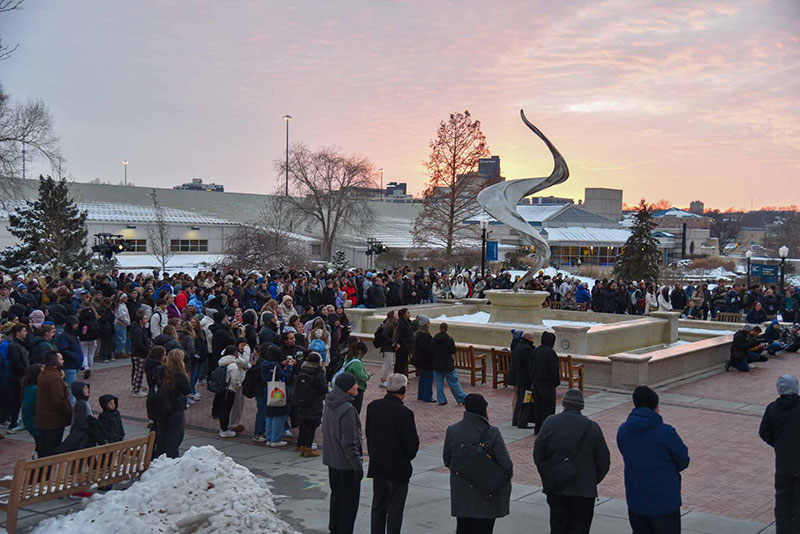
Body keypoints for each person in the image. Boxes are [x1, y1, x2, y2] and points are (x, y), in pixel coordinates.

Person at [533, 389, 611, 534]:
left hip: (557, 487)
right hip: (584, 491)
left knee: (558, 527)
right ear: (581, 406)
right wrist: (591, 479)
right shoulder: (592, 427)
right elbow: (604, 462)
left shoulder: (550, 422)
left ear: (564, 404)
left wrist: (548, 474)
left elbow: (538, 452)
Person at [617, 386, 689, 534]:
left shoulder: (624, 431)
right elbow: (683, 460)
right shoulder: (665, 432)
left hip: (636, 499)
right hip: (664, 501)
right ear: (656, 406)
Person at [443, 394, 512, 534]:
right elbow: (506, 465)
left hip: (462, 493)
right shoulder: (492, 432)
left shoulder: (452, 430)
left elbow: (447, 460)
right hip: (486, 494)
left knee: (463, 528)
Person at [366, 373, 419, 534]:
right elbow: (411, 445)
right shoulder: (404, 413)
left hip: (378, 464)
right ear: (403, 389)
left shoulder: (373, 406)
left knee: (378, 506)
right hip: (398, 468)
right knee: (395, 510)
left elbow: (369, 433)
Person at [322, 373, 363, 534]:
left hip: (332, 461)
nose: (357, 387)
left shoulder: (330, 404)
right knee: (349, 503)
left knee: (337, 497)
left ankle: (334, 527)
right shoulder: (347, 410)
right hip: (346, 464)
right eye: (354, 384)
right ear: (347, 388)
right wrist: (357, 465)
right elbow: (349, 442)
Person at [759, 375, 800, 532]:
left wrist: (779, 444)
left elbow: (764, 432)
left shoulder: (772, 408)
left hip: (783, 464)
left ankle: (782, 529)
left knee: (782, 500)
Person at [154, 349, 191, 458]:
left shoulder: (161, 370)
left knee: (162, 434)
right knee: (175, 436)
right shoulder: (180, 374)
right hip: (176, 407)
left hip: (162, 407)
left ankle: (159, 457)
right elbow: (187, 390)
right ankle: (172, 458)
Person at [35, 351, 72, 457]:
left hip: (45, 421)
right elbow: (59, 401)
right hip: (52, 422)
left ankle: (42, 472)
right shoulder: (54, 377)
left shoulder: (44, 374)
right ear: (54, 362)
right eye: (60, 359)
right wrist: (69, 412)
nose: (63, 361)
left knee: (44, 450)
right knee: (50, 451)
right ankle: (45, 473)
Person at [293, 352, 327, 457]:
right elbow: (324, 388)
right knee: (311, 427)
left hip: (301, 403)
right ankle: (308, 448)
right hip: (314, 403)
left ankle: (302, 446)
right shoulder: (318, 373)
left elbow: (296, 386)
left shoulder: (302, 371)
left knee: (303, 426)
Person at [261, 344, 293, 447]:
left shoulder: (264, 364)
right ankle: (276, 439)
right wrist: (289, 368)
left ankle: (269, 438)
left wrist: (280, 365)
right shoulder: (276, 367)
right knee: (279, 415)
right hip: (277, 391)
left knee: (269, 415)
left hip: (268, 390)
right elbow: (286, 377)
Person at [531, 331, 560, 435]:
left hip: (536, 383)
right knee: (548, 408)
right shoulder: (550, 353)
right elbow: (554, 370)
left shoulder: (536, 350)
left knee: (538, 407)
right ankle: (546, 429)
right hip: (547, 384)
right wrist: (556, 383)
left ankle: (537, 429)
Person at [431, 323, 466, 406]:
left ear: (439, 329)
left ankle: (441, 400)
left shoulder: (434, 339)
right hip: (447, 364)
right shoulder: (449, 339)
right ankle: (461, 398)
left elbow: (431, 349)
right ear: (446, 329)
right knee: (453, 382)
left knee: (439, 383)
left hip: (437, 363)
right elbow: (453, 350)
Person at [6, 323, 30, 433]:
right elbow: (16, 363)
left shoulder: (21, 345)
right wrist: (26, 372)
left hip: (20, 376)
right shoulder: (14, 346)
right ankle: (13, 422)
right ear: (17, 333)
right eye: (23, 331)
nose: (26, 333)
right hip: (17, 377)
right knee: (16, 401)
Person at [509, 331, 535, 429]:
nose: (534, 340)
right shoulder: (527, 349)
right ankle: (522, 421)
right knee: (525, 401)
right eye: (532, 338)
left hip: (519, 378)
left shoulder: (519, 347)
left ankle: (515, 419)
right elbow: (529, 366)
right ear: (528, 338)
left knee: (519, 400)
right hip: (525, 380)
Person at [21, 364, 43, 455]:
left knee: (39, 446)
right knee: (40, 446)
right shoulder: (35, 389)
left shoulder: (28, 387)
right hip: (34, 423)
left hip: (31, 422)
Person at [130, 309, 151, 397]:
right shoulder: (138, 331)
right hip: (139, 354)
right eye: (145, 319)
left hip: (138, 353)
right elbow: (139, 343)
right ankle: (137, 389)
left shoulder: (139, 329)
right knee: (139, 372)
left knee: (137, 371)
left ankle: (136, 386)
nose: (146, 320)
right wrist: (146, 350)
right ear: (140, 320)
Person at [414, 315, 435, 403]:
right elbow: (427, 349)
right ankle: (427, 396)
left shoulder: (418, 335)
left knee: (422, 378)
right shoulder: (425, 336)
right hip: (427, 361)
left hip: (420, 360)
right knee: (429, 378)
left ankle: (421, 395)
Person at [378, 311, 398, 388]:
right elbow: (384, 334)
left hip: (389, 347)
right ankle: (384, 380)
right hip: (388, 347)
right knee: (387, 364)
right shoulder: (390, 324)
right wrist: (392, 342)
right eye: (395, 314)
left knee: (388, 364)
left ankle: (386, 379)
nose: (397, 315)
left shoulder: (391, 323)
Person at [394, 308, 413, 376]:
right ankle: (397, 376)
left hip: (406, 346)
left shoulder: (408, 323)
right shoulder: (401, 323)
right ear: (403, 314)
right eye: (408, 313)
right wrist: (405, 343)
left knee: (404, 363)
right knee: (400, 363)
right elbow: (400, 335)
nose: (409, 314)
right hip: (402, 347)